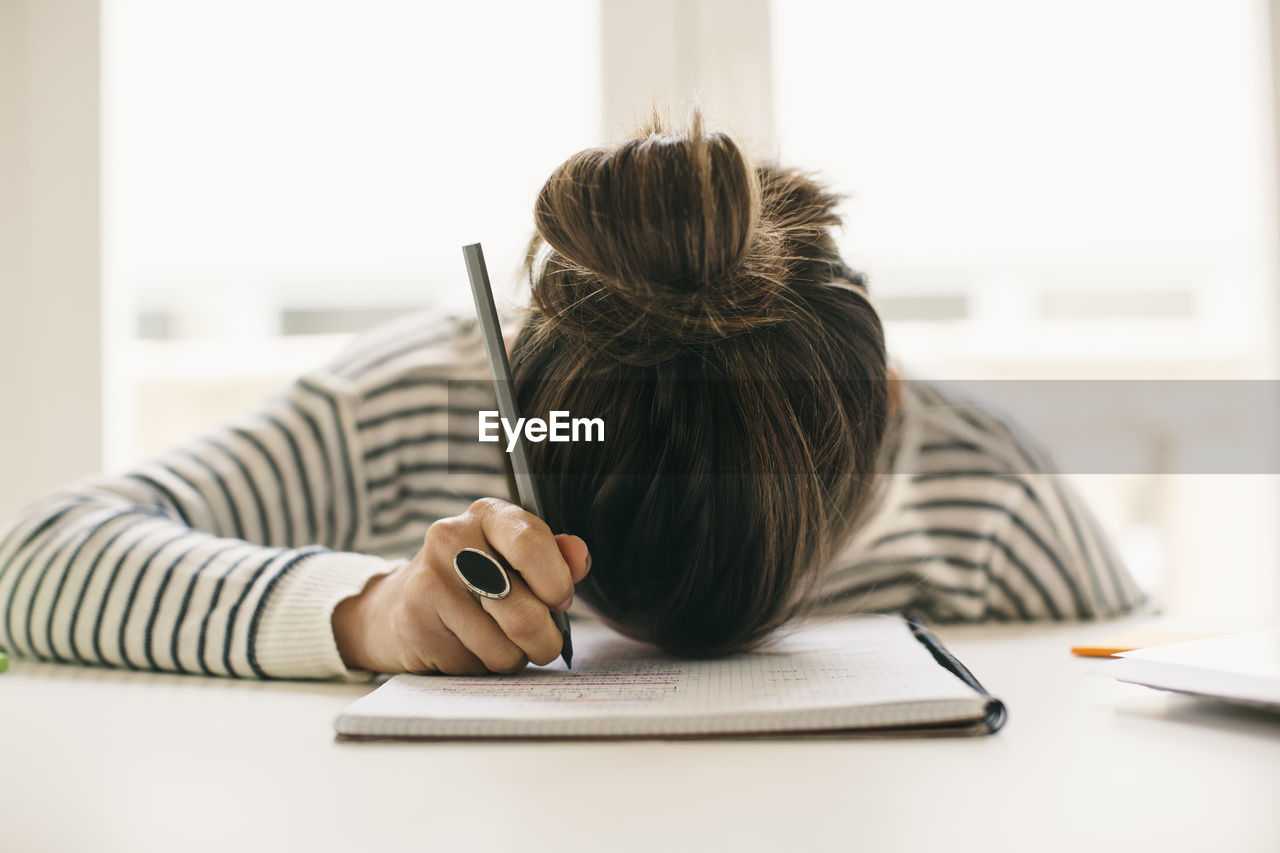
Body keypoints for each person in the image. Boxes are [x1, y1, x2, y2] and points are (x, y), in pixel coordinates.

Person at [0, 111, 1146, 681]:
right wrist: (366, 614)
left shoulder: (982, 497)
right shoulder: (409, 403)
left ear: (880, 417)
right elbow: (35, 557)